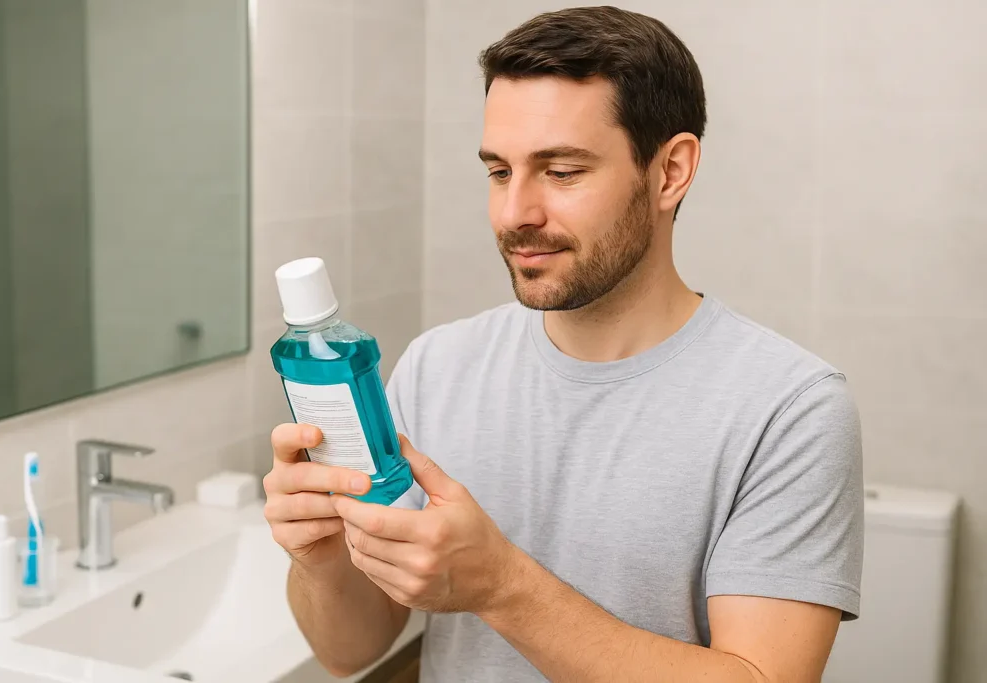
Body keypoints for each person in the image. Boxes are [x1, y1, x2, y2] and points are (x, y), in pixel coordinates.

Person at [263, 6, 864, 682]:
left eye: (562, 171)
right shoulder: (437, 366)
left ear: (670, 172)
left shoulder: (790, 407)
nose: (515, 212)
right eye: (499, 171)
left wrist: (501, 584)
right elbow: (349, 649)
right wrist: (320, 558)